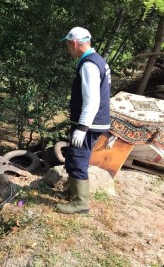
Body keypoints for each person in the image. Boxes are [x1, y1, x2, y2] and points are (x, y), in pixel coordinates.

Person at [57, 27, 111, 214]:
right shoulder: (97, 60)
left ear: (74, 43)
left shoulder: (89, 65)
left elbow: (92, 100)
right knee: (73, 156)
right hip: (93, 122)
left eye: (67, 45)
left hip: (90, 123)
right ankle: (74, 193)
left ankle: (81, 204)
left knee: (78, 158)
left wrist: (82, 128)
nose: (67, 49)